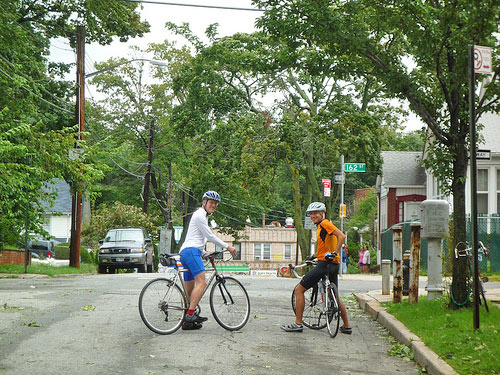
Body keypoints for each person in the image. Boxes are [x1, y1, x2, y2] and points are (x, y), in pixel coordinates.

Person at [281, 202, 352, 334]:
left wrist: (335, 252)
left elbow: (341, 236)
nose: (313, 216)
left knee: (299, 290)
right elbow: (326, 245)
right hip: (334, 265)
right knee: (334, 296)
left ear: (322, 213)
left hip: (324, 265)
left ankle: (298, 324)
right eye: (311, 214)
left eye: (315, 213)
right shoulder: (321, 227)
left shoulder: (325, 224)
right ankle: (347, 326)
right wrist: (314, 255)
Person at [179, 190, 237, 330]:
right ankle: (191, 314)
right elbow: (210, 236)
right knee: (202, 282)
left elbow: (195, 237)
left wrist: (204, 252)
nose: (214, 205)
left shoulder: (201, 216)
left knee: (190, 288)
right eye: (211, 202)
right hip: (192, 252)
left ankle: (188, 321)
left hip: (186, 252)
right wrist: (227, 246)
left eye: (216, 204)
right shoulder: (200, 215)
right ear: (204, 202)